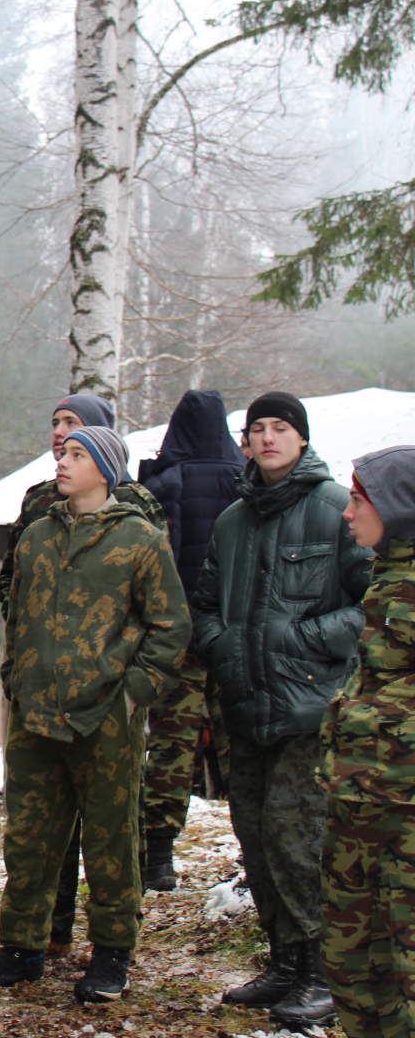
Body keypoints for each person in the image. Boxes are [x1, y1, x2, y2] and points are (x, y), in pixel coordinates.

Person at [0, 426, 190, 1005]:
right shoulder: (36, 537)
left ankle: (112, 952)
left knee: (110, 839)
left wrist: (131, 694)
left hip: (105, 721)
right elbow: (17, 615)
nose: (63, 462)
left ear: (106, 469)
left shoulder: (139, 540)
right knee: (28, 836)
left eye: (77, 455)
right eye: (62, 453)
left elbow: (171, 627)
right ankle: (22, 947)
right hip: (35, 714)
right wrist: (14, 678)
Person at [192, 391, 371, 1029]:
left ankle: (323, 975)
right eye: (257, 429)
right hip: (246, 704)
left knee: (298, 842)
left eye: (280, 428)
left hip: (310, 708)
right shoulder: (232, 521)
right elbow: (206, 601)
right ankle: (284, 964)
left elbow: (369, 600)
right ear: (245, 443)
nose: (268, 438)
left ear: (300, 439)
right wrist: (222, 645)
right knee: (257, 840)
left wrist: (302, 640)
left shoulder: (333, 510)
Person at [320, 445, 415, 1038]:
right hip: (361, 805)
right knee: (354, 962)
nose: (348, 514)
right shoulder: (385, 579)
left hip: (403, 814)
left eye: (359, 499)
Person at [134, 389, 243, 890]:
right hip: (230, 634)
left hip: (175, 634)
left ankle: (158, 856)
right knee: (241, 745)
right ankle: (252, 852)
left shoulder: (162, 480)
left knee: (171, 747)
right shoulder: (244, 479)